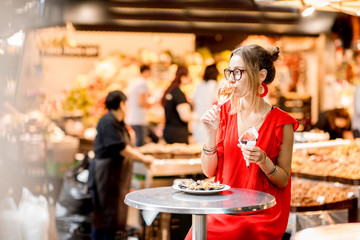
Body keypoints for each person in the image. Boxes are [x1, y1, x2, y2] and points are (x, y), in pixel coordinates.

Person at [185, 44, 299, 240]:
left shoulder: (282, 123)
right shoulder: (222, 113)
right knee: (196, 233)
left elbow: (282, 179)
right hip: (222, 207)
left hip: (261, 212)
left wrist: (264, 161)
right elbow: (208, 171)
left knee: (238, 232)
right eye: (229, 72)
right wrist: (210, 133)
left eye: (238, 72)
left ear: (261, 76)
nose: (230, 79)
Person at [89, 90, 154, 240]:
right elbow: (122, 148)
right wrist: (144, 158)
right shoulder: (107, 121)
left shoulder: (119, 122)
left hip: (115, 177)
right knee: (103, 218)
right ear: (121, 104)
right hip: (105, 176)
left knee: (113, 217)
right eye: (126, 103)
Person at [126, 64, 159, 146]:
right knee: (140, 144)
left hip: (132, 116)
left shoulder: (134, 82)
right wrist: (151, 104)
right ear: (146, 72)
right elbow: (141, 102)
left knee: (141, 139)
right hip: (138, 118)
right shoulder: (142, 83)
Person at [161, 65, 192, 144]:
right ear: (182, 77)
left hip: (168, 131)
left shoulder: (170, 90)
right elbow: (185, 117)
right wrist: (196, 116)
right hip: (178, 134)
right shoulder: (179, 94)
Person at [192, 64, 219, 143]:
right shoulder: (215, 86)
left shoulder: (199, 86)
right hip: (211, 121)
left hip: (198, 121)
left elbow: (194, 103)